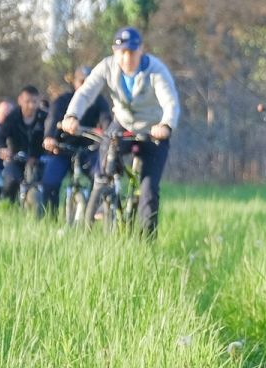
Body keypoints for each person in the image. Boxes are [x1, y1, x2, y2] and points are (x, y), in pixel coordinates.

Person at [59, 26, 179, 236]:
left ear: (141, 49)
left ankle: (145, 243)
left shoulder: (156, 71)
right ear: (115, 52)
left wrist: (166, 125)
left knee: (149, 191)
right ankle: (103, 199)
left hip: (153, 132)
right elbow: (86, 93)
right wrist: (72, 116)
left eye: (131, 52)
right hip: (122, 125)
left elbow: (170, 102)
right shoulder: (107, 66)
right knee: (103, 165)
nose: (126, 58)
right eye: (122, 52)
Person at [40, 65, 108, 216]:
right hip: (62, 149)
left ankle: (93, 213)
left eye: (89, 81)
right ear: (75, 83)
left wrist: (106, 133)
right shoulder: (62, 101)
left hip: (87, 150)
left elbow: (106, 121)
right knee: (50, 181)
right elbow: (52, 120)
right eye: (81, 81)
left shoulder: (99, 101)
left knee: (100, 177)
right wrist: (49, 137)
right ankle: (48, 219)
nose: (85, 85)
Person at [0, 85, 50, 211]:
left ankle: (50, 214)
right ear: (20, 100)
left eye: (34, 102)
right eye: (27, 101)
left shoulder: (45, 118)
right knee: (11, 181)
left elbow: (53, 134)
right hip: (16, 159)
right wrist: (1, 149)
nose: (31, 105)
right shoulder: (12, 118)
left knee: (50, 184)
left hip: (38, 160)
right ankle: (6, 209)